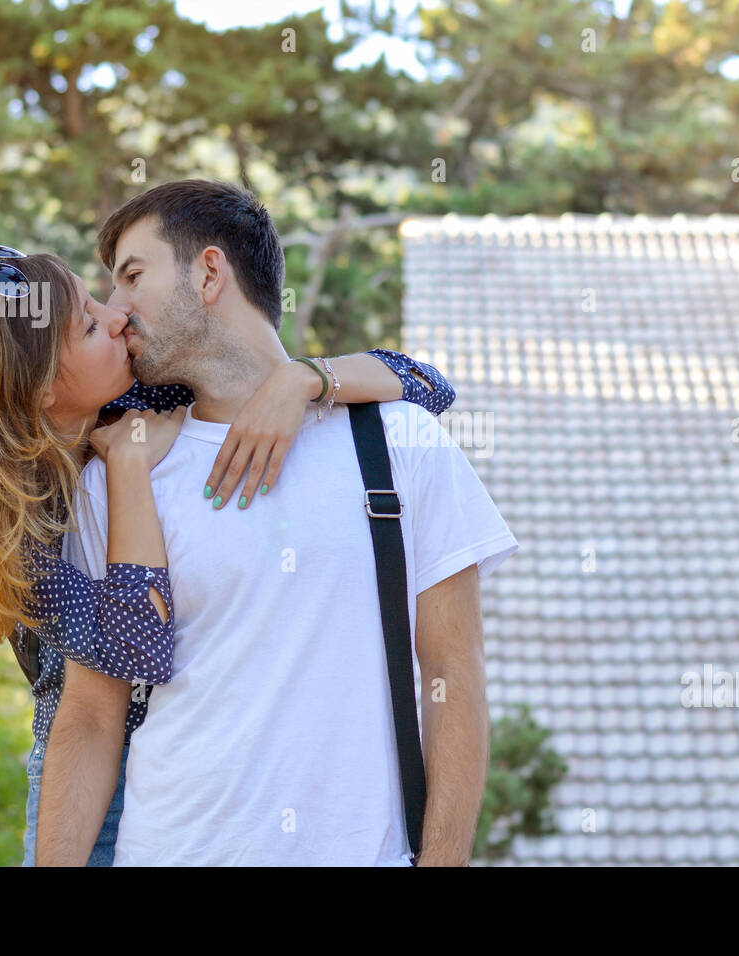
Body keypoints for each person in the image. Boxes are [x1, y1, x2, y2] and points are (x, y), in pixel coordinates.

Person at [0, 240, 458, 866]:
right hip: (97, 782)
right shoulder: (17, 535)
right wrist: (129, 467)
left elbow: (428, 386)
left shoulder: (139, 401)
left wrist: (302, 379)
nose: (116, 316)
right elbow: (139, 647)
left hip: (194, 767)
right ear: (36, 389)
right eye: (89, 324)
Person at [39, 179, 518, 866]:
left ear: (208, 272)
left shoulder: (399, 443)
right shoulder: (121, 466)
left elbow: (454, 674)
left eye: (132, 276)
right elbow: (90, 712)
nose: (115, 311)